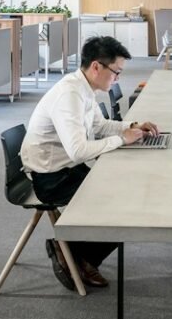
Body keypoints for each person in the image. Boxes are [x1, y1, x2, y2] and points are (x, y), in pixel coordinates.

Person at [20, 35, 159, 290]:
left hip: (67, 168)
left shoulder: (84, 89)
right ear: (96, 66)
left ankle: (74, 251)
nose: (117, 78)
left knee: (131, 193)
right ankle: (73, 252)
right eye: (116, 72)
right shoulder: (69, 95)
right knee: (125, 205)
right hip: (51, 178)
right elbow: (78, 150)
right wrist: (122, 140)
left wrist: (132, 126)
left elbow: (99, 125)